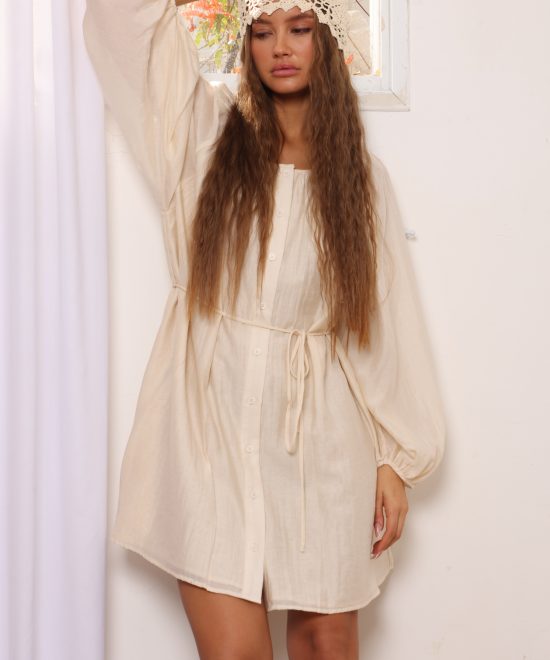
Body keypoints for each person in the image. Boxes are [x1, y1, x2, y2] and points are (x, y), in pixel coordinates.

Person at [83, 0, 446, 657]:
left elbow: (384, 323)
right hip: (208, 438)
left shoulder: (361, 183)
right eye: (262, 31)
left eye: (300, 29)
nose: (280, 47)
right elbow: (122, 25)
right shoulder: (201, 138)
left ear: (328, 40)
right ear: (246, 44)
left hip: (323, 449)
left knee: (328, 643)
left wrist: (397, 458)